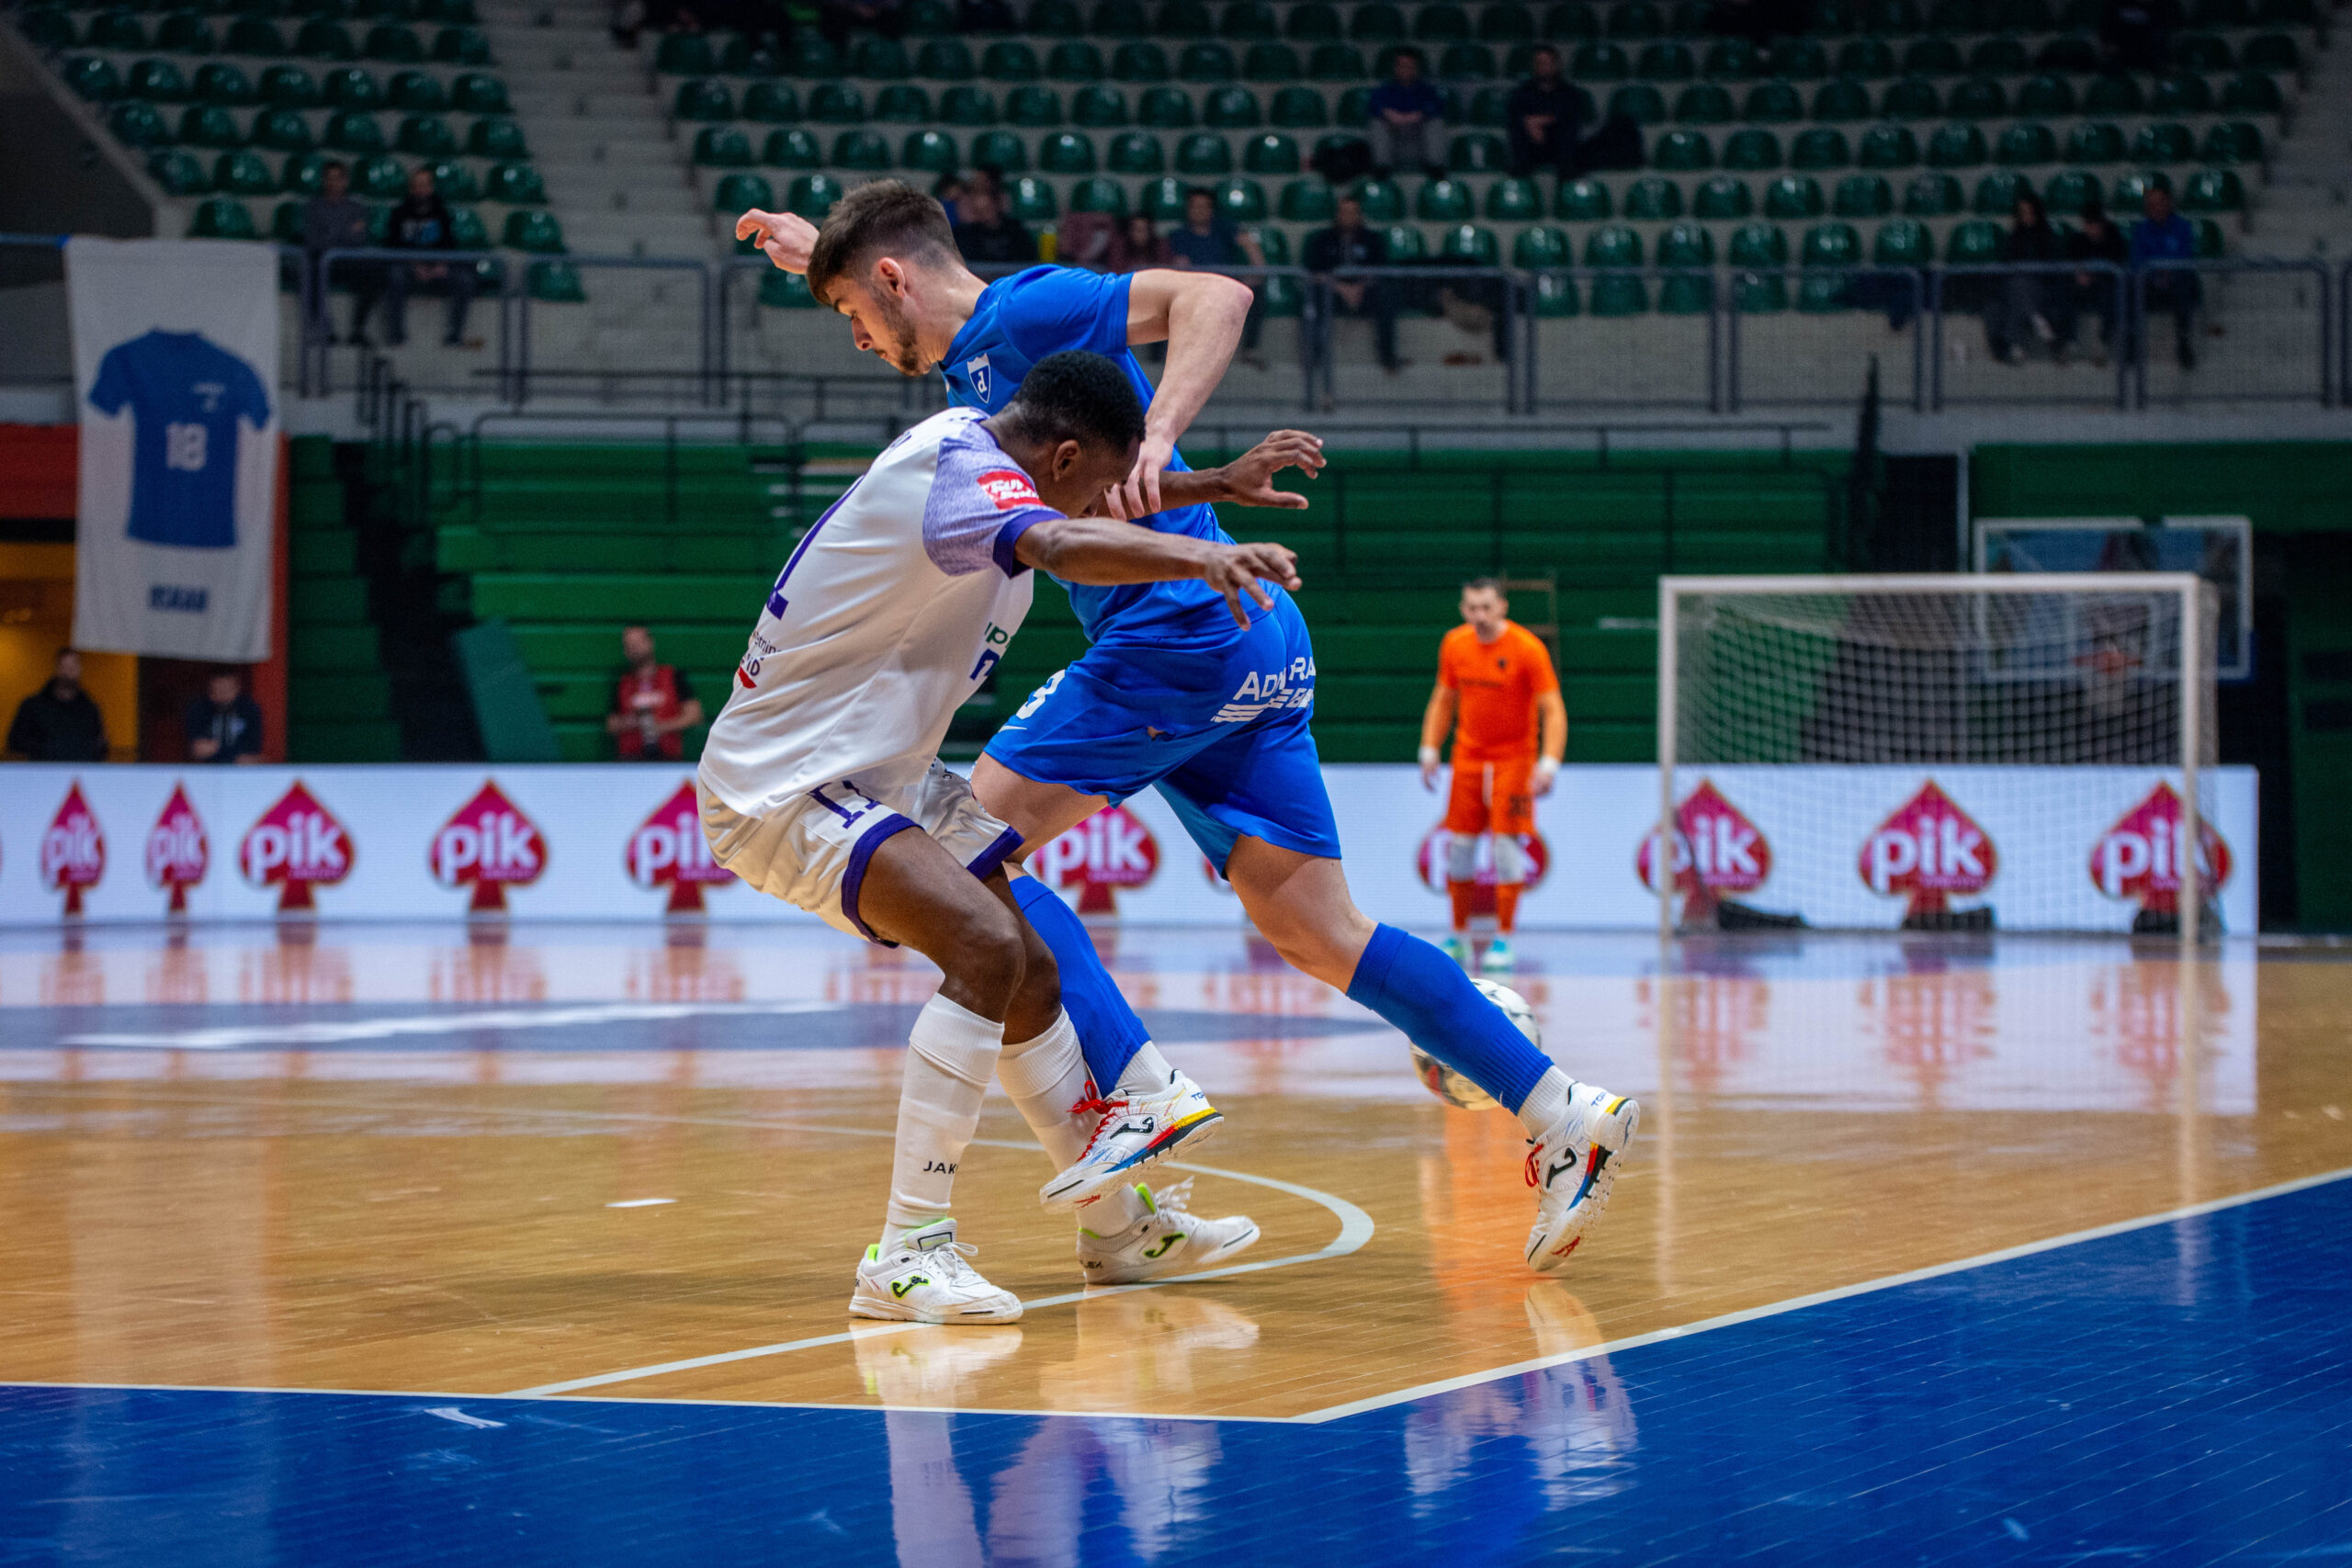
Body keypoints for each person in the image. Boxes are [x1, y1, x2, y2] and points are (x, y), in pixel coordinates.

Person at [739, 180, 1640, 1273]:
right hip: (1246, 641)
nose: (857, 339)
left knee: (965, 863)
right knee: (1319, 932)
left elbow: (1215, 293)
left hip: (1169, 641)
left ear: (890, 280)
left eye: (852, 314)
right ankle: (1561, 1112)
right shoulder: (967, 358)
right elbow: (893, 280)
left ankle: (1133, 1093)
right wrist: (811, 254)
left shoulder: (1026, 313)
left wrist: (1162, 435)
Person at [697, 351, 1306, 1319]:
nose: (1121, 502)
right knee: (980, 948)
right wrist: (1204, 554)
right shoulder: (959, 478)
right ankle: (905, 1255)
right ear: (1063, 459)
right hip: (789, 782)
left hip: (879, 770)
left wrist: (1209, 487)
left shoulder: (1001, 467)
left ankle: (1119, 1228)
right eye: (1106, 482)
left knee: (1030, 964)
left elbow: (1090, 515)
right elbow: (1065, 546)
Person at [1419, 579, 1566, 975]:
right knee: (1461, 847)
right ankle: (1459, 934)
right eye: (1470, 608)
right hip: (1468, 756)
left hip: (1514, 759)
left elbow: (1552, 708)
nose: (1478, 616)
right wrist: (1430, 747)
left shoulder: (1527, 649)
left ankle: (1504, 937)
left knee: (1505, 849)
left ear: (1502, 606)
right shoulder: (1455, 644)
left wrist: (1548, 763)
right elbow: (1443, 697)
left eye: (1485, 607)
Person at [1164, 187, 1266, 366]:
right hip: (1198, 288)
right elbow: (1182, 267)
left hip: (1228, 285)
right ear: (1188, 209)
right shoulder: (1180, 235)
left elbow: (1249, 243)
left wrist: (1257, 271)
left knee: (1255, 292)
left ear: (1212, 209)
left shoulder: (1224, 228)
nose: (1201, 210)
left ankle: (1250, 349)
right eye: (1196, 206)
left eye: (1205, 206)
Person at [381, 166, 479, 349]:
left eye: (425, 185)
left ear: (431, 188)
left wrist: (441, 265)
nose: (421, 189)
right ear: (411, 188)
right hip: (408, 268)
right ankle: (397, 336)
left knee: (465, 279)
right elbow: (392, 246)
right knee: (394, 274)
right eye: (417, 185)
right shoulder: (399, 213)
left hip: (437, 269)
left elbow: (450, 245)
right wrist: (413, 264)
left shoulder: (442, 213)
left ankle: (455, 335)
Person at [1304, 195, 1400, 375]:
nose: (1348, 216)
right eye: (1344, 212)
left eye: (1353, 212)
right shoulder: (1322, 239)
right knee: (1313, 297)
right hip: (1333, 293)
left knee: (1387, 294)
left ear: (1360, 214)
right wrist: (1342, 288)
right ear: (1337, 214)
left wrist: (1359, 288)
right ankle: (1314, 358)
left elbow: (1380, 270)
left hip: (1364, 292)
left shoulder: (1373, 239)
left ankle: (1388, 357)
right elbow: (1314, 273)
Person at [300, 160, 378, 345]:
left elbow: (360, 240)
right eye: (329, 178)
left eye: (338, 178)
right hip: (323, 262)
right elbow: (313, 241)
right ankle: (325, 331)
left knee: (375, 273)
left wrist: (331, 233)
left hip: (348, 261)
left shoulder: (356, 208)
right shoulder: (314, 207)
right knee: (310, 273)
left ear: (346, 181)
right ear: (323, 181)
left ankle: (358, 330)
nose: (333, 183)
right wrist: (346, 232)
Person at [1984, 192, 2065, 364]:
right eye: (2023, 213)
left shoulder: (2049, 237)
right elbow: (2006, 266)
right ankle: (2036, 318)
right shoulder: (2012, 238)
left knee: (2021, 287)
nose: (2027, 216)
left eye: (2030, 212)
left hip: (2042, 289)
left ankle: (2016, 343)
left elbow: (2053, 269)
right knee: (2015, 290)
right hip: (2014, 290)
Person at [606, 625, 705, 761]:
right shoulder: (623, 682)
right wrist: (630, 723)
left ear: (650, 642)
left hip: (668, 759)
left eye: (638, 643)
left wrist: (661, 727)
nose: (634, 649)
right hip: (630, 761)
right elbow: (611, 724)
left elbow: (694, 715)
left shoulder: (673, 676)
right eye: (629, 645)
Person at [2132, 184, 2200, 370]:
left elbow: (2185, 256)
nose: (2157, 207)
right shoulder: (2141, 230)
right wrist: (2155, 273)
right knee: (2129, 286)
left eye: (2161, 202)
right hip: (2151, 284)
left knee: (2185, 284)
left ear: (2169, 203)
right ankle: (2131, 345)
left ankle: (2184, 345)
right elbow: (2137, 260)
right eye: (2152, 204)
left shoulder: (2183, 227)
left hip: (2176, 282)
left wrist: (2169, 271)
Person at [6, 649, 109, 762]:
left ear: (80, 669)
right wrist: (46, 748)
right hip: (41, 774)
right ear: (57, 669)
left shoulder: (90, 709)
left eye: (74, 666)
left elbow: (99, 747)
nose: (69, 671)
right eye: (65, 666)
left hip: (79, 774)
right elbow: (15, 743)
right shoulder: (32, 707)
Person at [1505, 46, 1590, 178]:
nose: (1543, 67)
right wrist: (1527, 123)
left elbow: (1569, 114)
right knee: (1518, 126)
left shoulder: (1569, 92)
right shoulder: (1522, 93)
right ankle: (1521, 167)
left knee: (1568, 126)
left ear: (1556, 65)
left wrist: (1537, 121)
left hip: (1559, 145)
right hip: (1532, 147)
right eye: (1539, 63)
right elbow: (1514, 114)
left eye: (1547, 63)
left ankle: (1567, 167)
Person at [1366, 50, 1446, 183]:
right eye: (1401, 66)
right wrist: (1389, 114)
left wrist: (1419, 115)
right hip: (1393, 136)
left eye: (1409, 66)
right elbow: (1373, 105)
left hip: (1418, 137)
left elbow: (1437, 106)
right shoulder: (1384, 90)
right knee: (1377, 122)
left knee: (1435, 122)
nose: (1405, 70)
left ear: (1416, 69)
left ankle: (1435, 166)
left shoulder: (1427, 90)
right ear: (1395, 68)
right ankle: (1382, 168)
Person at [2066, 200, 2129, 367]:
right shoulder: (2078, 241)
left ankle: (2103, 342)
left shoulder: (2115, 240)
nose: (2092, 229)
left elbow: (2117, 267)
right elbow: (2070, 264)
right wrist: (2078, 275)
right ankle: (2069, 341)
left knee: (2110, 293)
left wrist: (2094, 276)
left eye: (2095, 224)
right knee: (2064, 291)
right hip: (2083, 288)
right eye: (2088, 224)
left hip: (2105, 287)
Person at [184, 667, 264, 764]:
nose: (223, 696)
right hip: (206, 769)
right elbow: (199, 748)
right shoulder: (198, 709)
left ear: (237, 688)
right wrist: (233, 755)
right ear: (210, 690)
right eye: (217, 690)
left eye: (227, 690)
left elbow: (253, 749)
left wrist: (218, 749)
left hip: (241, 770)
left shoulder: (250, 709)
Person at [950, 182, 1036, 266]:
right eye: (979, 210)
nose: (984, 214)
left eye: (987, 209)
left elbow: (1026, 261)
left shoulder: (1016, 231)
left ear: (996, 204)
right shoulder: (964, 235)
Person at [1108, 213, 1172, 273]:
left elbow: (1164, 271)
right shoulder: (1120, 247)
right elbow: (1117, 271)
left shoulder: (1160, 246)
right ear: (1130, 231)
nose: (1140, 234)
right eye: (1137, 230)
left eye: (1143, 230)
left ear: (1150, 231)